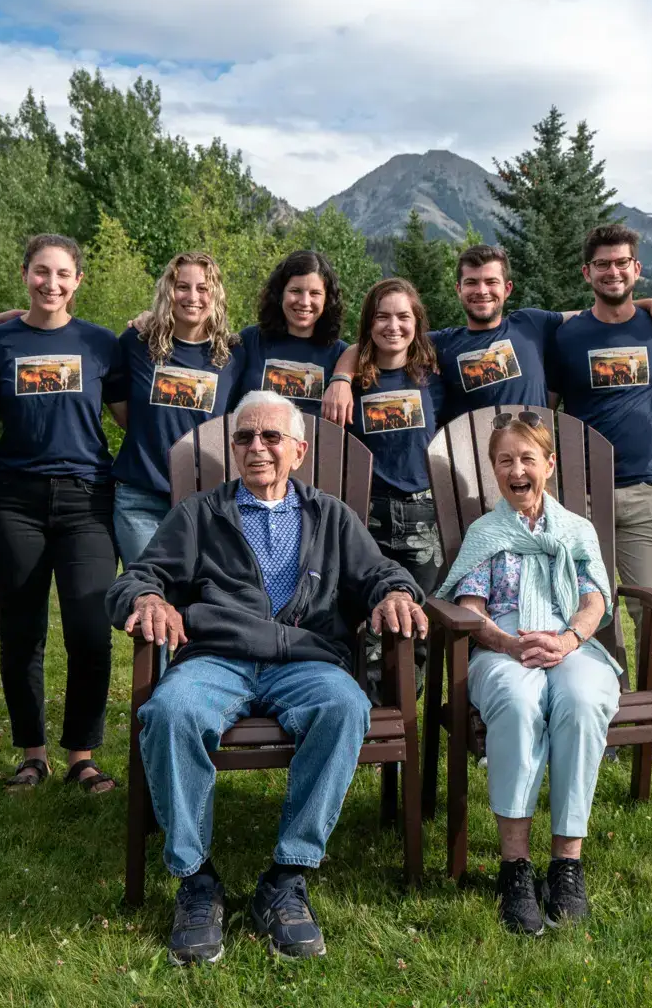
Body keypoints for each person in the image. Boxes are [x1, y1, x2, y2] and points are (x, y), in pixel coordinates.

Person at [108, 392, 427, 965]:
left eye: (270, 438)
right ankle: (197, 880)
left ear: (299, 451)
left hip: (307, 659)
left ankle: (286, 875)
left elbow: (380, 570)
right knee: (170, 712)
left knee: (345, 707)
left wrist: (396, 593)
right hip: (219, 657)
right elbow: (139, 576)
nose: (256, 448)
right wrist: (149, 598)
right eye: (244, 438)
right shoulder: (201, 514)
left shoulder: (330, 515)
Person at [438, 413, 617, 936]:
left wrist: (567, 640)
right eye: (505, 460)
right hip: (503, 640)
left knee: (583, 700)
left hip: (567, 638)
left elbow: (594, 599)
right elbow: (471, 612)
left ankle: (566, 864)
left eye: (527, 459)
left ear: (549, 465)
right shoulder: (484, 532)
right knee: (517, 704)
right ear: (494, 470)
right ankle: (515, 868)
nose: (517, 469)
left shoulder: (575, 530)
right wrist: (509, 643)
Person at [0, 234, 127, 793]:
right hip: (15, 502)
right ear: (25, 274)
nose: (51, 284)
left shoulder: (101, 344)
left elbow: (136, 420)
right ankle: (32, 754)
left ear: (77, 280)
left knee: (90, 630)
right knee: (21, 632)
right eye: (42, 272)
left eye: (63, 274)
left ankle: (82, 755)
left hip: (87, 500)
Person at [548, 223, 652, 758]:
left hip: (644, 489)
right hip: (582, 495)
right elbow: (548, 408)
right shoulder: (568, 336)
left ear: (636, 268)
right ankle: (606, 713)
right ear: (587, 273)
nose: (613, 271)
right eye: (602, 264)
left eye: (622, 262)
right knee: (593, 609)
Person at [320, 244, 652, 426]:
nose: (482, 291)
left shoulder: (533, 324)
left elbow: (602, 311)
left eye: (491, 282)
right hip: (471, 471)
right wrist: (339, 379)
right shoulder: (443, 342)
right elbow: (380, 340)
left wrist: (648, 302)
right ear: (459, 289)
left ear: (506, 288)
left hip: (534, 466)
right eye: (472, 283)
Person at [347, 278, 445, 693]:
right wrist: (338, 378)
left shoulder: (435, 375)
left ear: (416, 322)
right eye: (382, 316)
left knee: (416, 619)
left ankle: (403, 706)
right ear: (368, 323)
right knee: (367, 616)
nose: (393, 325)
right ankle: (366, 713)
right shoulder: (353, 377)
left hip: (423, 512)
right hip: (367, 513)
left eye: (403, 316)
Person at [110, 253, 239, 561]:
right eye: (182, 286)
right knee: (148, 597)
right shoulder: (137, 341)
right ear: (169, 291)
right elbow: (120, 407)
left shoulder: (233, 356)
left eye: (203, 288)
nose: (192, 297)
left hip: (205, 500)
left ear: (215, 295)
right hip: (140, 498)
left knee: (197, 600)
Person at [229, 250, 349, 414]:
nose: (305, 302)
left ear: (327, 299)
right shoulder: (249, 341)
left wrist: (342, 379)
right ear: (280, 294)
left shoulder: (342, 356)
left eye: (315, 293)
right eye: (295, 291)